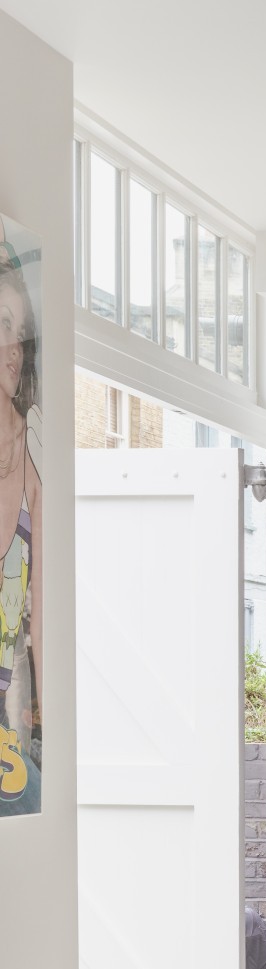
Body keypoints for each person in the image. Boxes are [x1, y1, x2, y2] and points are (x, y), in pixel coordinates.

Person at [0, 241, 42, 816]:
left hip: (10, 751)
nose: (16, 349)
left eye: (22, 331)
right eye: (3, 324)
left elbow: (45, 618)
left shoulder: (32, 467)